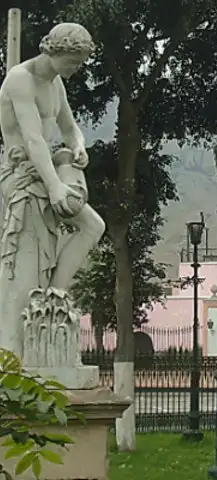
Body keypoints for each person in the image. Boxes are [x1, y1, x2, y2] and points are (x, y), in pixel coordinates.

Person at [0, 23, 105, 356]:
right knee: (25, 275)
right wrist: (55, 186)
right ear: (55, 51)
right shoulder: (20, 79)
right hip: (22, 177)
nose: (76, 70)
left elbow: (70, 129)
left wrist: (78, 147)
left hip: (49, 176)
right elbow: (32, 139)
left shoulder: (55, 83)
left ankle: (55, 296)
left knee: (93, 226)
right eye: (73, 62)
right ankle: (12, 357)